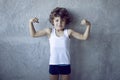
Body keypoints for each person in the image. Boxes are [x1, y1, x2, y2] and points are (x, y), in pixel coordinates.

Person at [29, 7, 91, 80]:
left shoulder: (68, 32)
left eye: (62, 20)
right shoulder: (49, 31)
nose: (59, 23)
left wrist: (88, 25)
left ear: (66, 21)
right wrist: (30, 22)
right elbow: (34, 34)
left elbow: (84, 37)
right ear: (53, 21)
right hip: (53, 64)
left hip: (65, 64)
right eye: (57, 20)